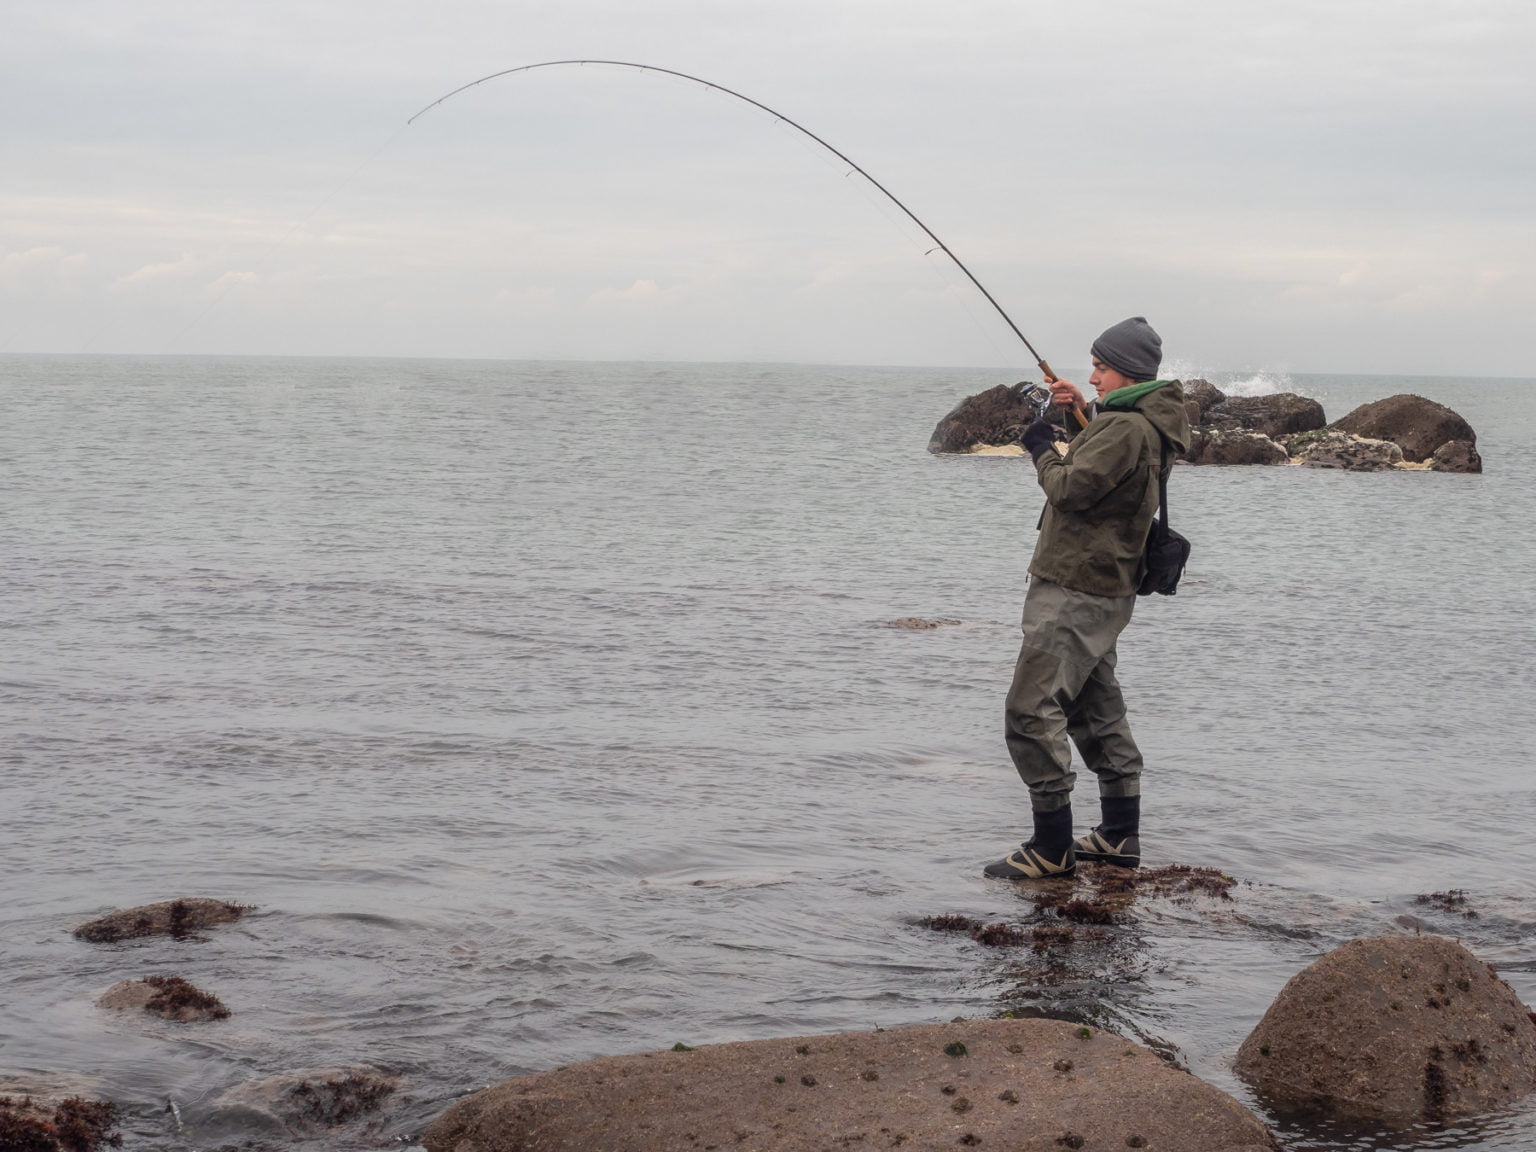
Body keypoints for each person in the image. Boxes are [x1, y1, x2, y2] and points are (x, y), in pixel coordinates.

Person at [984, 317, 1191, 880]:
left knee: (1030, 710)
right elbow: (1110, 460)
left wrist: (1040, 449)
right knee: (1094, 708)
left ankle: (1050, 848)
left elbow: (1071, 488)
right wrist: (1082, 413)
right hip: (1107, 585)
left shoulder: (1125, 428)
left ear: (1125, 369)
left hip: (1075, 587)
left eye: (1099, 367)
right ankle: (1119, 836)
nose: (1093, 375)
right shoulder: (1146, 419)